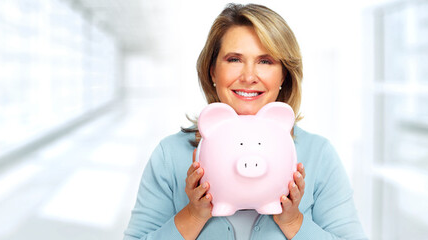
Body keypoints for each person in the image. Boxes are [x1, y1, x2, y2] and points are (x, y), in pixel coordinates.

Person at [124, 3, 367, 240]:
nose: (249, 76)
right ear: (212, 70)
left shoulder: (319, 155)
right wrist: (193, 216)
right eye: (234, 59)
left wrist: (293, 222)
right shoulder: (170, 155)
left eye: (265, 61)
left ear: (284, 73)